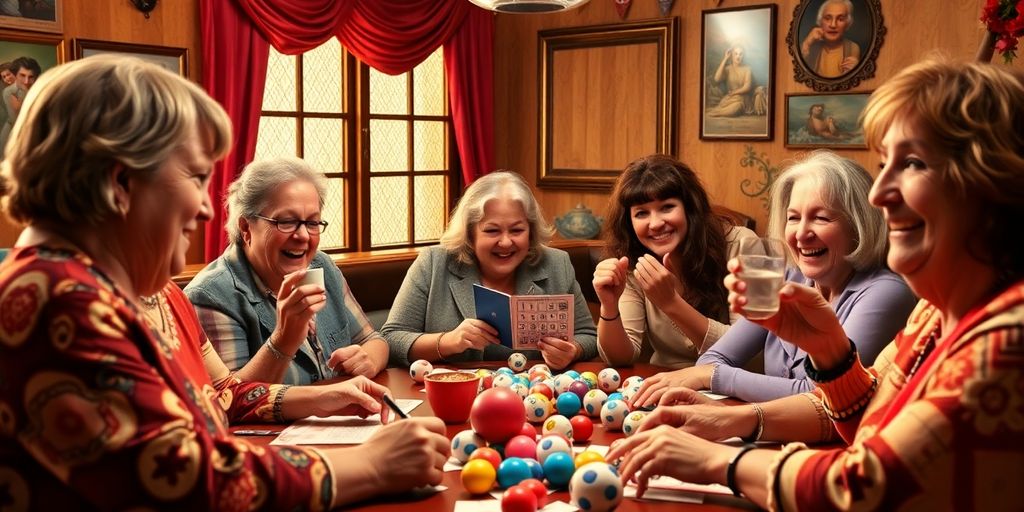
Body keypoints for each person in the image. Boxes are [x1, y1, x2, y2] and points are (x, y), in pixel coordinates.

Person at [0, 55, 448, 510]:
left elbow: (222, 396)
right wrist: (371, 465)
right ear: (121, 181)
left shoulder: (158, 293)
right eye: (195, 177)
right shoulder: (56, 299)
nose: (208, 210)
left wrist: (326, 396)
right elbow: (187, 477)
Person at [606, 59, 1024, 510]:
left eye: (914, 163)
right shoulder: (932, 312)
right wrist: (830, 357)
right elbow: (851, 409)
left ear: (992, 185)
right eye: (884, 166)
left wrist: (717, 461)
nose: (880, 193)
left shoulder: (1007, 337)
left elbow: (866, 483)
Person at [631, 151, 916, 405]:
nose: (801, 234)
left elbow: (824, 397)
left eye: (821, 218)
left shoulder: (886, 293)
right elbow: (713, 358)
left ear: (858, 225)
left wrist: (716, 378)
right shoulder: (786, 278)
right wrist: (714, 377)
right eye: (793, 218)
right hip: (772, 436)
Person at [185, 157, 389, 385]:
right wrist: (283, 339)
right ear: (246, 228)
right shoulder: (211, 296)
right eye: (286, 222)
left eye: (312, 223)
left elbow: (373, 339)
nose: (302, 236)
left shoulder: (322, 266)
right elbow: (229, 399)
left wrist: (368, 359)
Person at [382, 171, 597, 369]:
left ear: (530, 231)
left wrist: (572, 350)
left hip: (533, 398)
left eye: (517, 230)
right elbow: (391, 339)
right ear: (470, 233)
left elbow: (588, 335)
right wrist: (448, 341)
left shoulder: (556, 264)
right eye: (492, 231)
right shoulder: (434, 262)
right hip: (450, 396)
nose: (505, 242)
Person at [593, 154, 758, 368]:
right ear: (629, 222)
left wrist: (671, 303)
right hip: (668, 386)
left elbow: (745, 350)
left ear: (690, 208)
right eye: (641, 213)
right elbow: (620, 358)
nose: (655, 223)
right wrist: (609, 305)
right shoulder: (631, 262)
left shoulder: (742, 245)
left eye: (667, 207)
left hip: (738, 387)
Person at [800, 0, 861, 78]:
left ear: (847, 24)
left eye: (840, 19)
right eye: (827, 18)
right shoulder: (811, 46)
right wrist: (807, 43)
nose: (833, 25)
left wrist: (857, 71)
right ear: (820, 21)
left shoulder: (853, 47)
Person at [706, 45, 766, 118]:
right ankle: (714, 112)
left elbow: (747, 87)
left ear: (743, 56)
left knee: (736, 107)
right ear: (732, 55)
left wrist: (734, 92)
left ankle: (714, 113)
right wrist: (725, 58)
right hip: (730, 98)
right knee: (726, 105)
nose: (738, 56)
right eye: (736, 54)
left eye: (741, 54)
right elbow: (717, 78)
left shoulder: (747, 69)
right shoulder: (728, 69)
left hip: (743, 99)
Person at [0, 56, 40, 156]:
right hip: (14, 128)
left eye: (8, 75)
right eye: (3, 77)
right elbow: (15, 118)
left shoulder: (35, 88)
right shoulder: (8, 92)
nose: (7, 78)